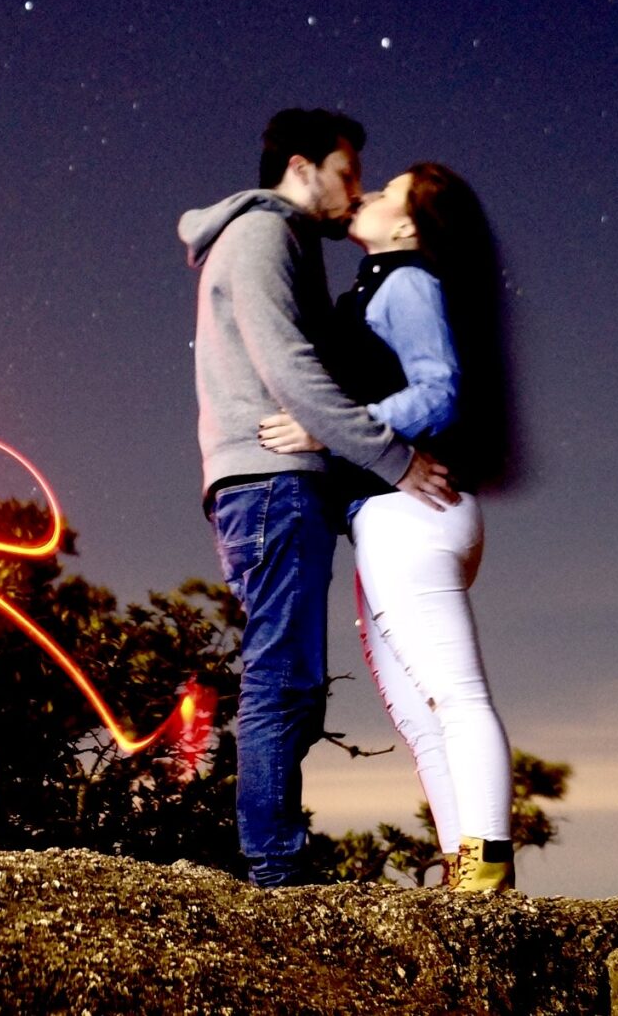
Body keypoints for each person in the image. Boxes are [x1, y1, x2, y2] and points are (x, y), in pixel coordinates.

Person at [178, 110, 456, 887]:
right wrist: (395, 459)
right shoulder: (266, 236)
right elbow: (292, 371)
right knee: (282, 673)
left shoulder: (277, 240)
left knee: (293, 674)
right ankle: (274, 865)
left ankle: (277, 855)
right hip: (269, 482)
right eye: (348, 173)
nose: (356, 190)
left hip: (271, 484)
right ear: (303, 167)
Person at [260, 162, 517, 890]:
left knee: (453, 697)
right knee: (419, 713)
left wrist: (331, 429)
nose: (366, 194)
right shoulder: (380, 282)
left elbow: (439, 389)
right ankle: (465, 863)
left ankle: (489, 862)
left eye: (386, 191)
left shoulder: (408, 280)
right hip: (389, 520)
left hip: (409, 514)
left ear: (408, 224)